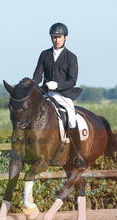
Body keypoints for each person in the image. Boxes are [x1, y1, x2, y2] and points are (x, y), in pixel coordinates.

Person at [32, 22, 85, 167]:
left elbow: (72, 80)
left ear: (65, 38)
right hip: (46, 93)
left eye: (59, 37)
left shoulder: (71, 57)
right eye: (54, 37)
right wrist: (32, 85)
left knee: (71, 117)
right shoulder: (44, 54)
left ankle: (77, 152)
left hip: (64, 94)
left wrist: (58, 85)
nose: (56, 40)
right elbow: (38, 74)